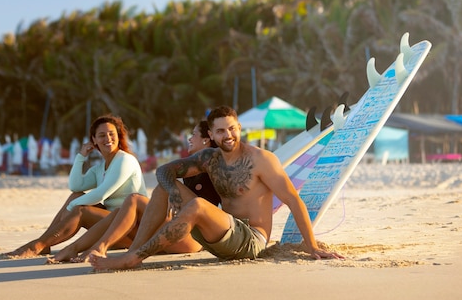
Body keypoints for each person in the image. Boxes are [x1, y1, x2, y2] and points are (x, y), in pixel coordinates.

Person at [90, 105, 343, 271]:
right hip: (220, 235)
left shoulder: (261, 160)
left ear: (239, 128)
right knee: (162, 189)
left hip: (250, 241)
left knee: (198, 205)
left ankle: (133, 258)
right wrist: (175, 196)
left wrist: (312, 247)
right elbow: (164, 171)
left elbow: (293, 199)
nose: (228, 135)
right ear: (211, 133)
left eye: (232, 128)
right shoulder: (209, 158)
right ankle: (133, 253)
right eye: (221, 131)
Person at [47, 120, 221, 263]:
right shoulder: (190, 170)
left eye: (194, 135)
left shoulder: (214, 168)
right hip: (176, 230)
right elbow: (76, 186)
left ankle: (100, 247)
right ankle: (76, 248)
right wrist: (80, 157)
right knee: (124, 207)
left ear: (207, 139)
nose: (189, 139)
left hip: (191, 238)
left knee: (135, 199)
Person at [0, 114, 147, 259]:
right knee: (76, 196)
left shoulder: (125, 160)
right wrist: (81, 156)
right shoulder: (100, 168)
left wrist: (71, 208)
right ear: (94, 140)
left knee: (79, 209)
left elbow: (101, 194)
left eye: (111, 134)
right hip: (110, 224)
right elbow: (75, 186)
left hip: (130, 228)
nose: (108, 139)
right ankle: (44, 244)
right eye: (102, 135)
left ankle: (37, 245)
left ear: (118, 136)